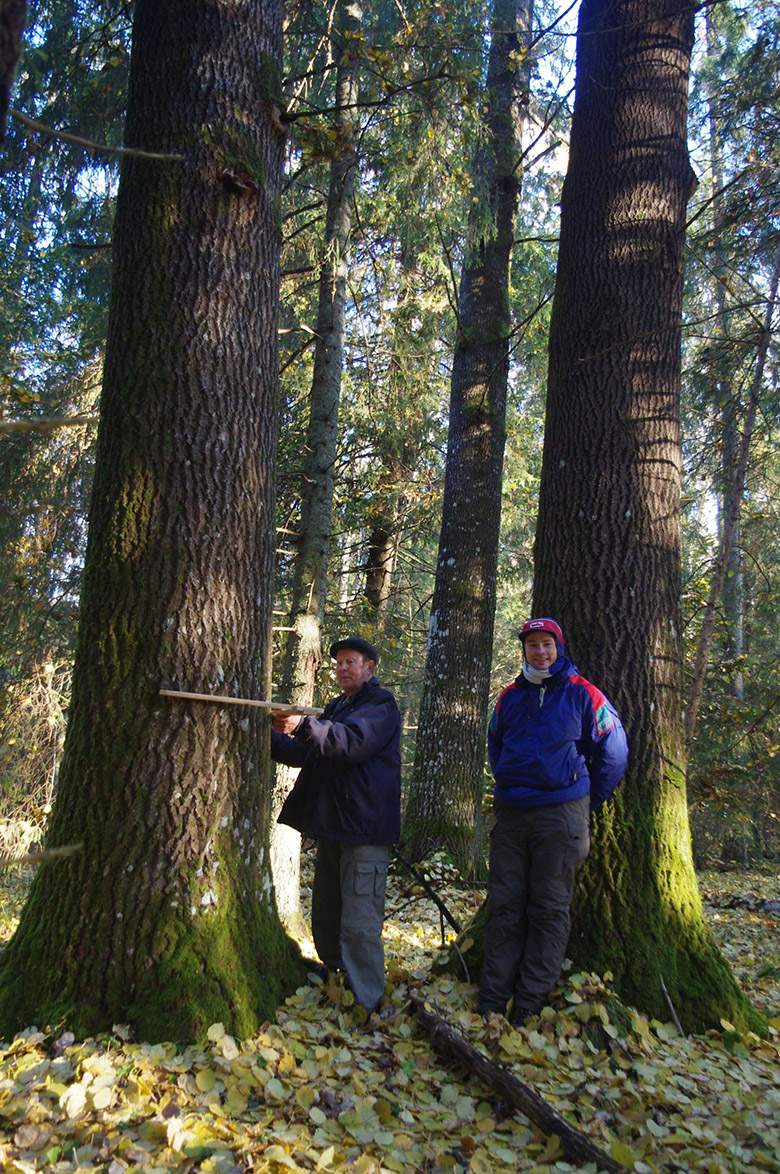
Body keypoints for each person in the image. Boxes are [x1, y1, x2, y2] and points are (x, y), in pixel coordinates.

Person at [478, 617, 628, 1025]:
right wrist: (507, 777)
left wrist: (584, 798)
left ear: (559, 648)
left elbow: (614, 751)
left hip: (562, 816)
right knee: (505, 905)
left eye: (547, 644)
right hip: (511, 815)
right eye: (533, 645)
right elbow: (495, 742)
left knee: (548, 908)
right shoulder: (509, 697)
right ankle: (492, 999)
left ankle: (528, 1003)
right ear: (524, 650)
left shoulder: (584, 694)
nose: (540, 652)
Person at [271, 636, 401, 1015]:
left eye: (351, 662)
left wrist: (304, 725)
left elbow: (349, 742)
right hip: (334, 830)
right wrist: (272, 732)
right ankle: (335, 983)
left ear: (369, 668)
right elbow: (304, 751)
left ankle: (369, 1004)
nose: (343, 668)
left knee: (360, 923)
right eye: (339, 663)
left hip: (366, 832)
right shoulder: (337, 706)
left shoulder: (380, 705)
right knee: (327, 914)